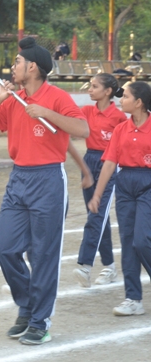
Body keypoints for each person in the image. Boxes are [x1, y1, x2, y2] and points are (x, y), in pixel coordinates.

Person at [0, 37, 89, 345]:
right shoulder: (13, 99)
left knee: (43, 254)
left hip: (49, 179)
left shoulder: (57, 97)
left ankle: (39, 321)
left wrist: (46, 113)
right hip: (19, 179)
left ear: (33, 67)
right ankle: (27, 306)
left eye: (18, 62)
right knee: (6, 250)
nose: (13, 67)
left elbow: (82, 130)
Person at [88, 81, 151, 317]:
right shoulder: (121, 129)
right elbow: (110, 164)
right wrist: (97, 195)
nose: (120, 99)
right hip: (125, 185)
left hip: (148, 183)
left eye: (124, 96)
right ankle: (133, 299)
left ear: (139, 102)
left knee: (142, 240)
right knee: (127, 243)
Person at [70, 73, 127, 288]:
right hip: (89, 162)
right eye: (89, 85)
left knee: (97, 215)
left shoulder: (119, 118)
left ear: (108, 91)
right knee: (97, 217)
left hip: (109, 164)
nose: (89, 89)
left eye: (94, 86)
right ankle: (110, 266)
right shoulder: (85, 112)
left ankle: (85, 265)